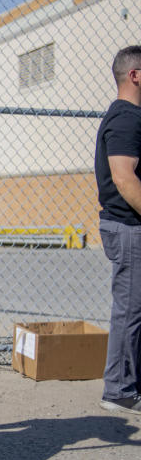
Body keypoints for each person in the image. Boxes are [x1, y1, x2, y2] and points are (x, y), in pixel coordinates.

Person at [94, 45, 141, 415]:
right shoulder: (126, 118)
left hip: (129, 225)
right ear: (135, 76)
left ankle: (129, 383)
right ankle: (120, 390)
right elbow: (125, 179)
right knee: (130, 308)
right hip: (128, 226)